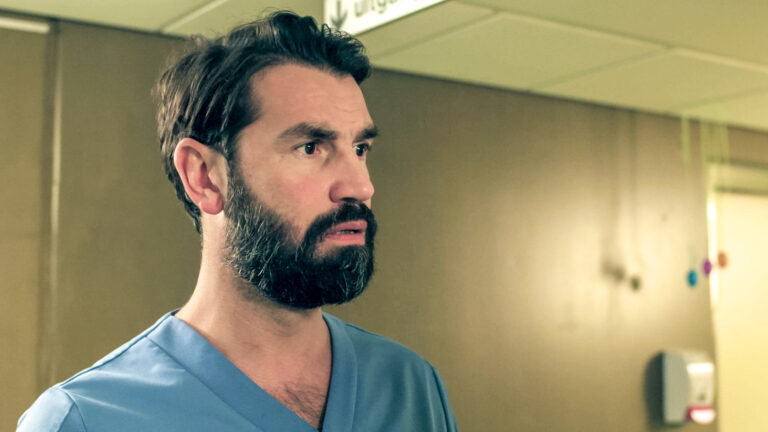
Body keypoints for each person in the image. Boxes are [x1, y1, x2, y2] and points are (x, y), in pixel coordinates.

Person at [17, 11, 458, 432]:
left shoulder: (410, 387)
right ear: (204, 176)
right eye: (310, 147)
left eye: (360, 149)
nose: (361, 187)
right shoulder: (83, 420)